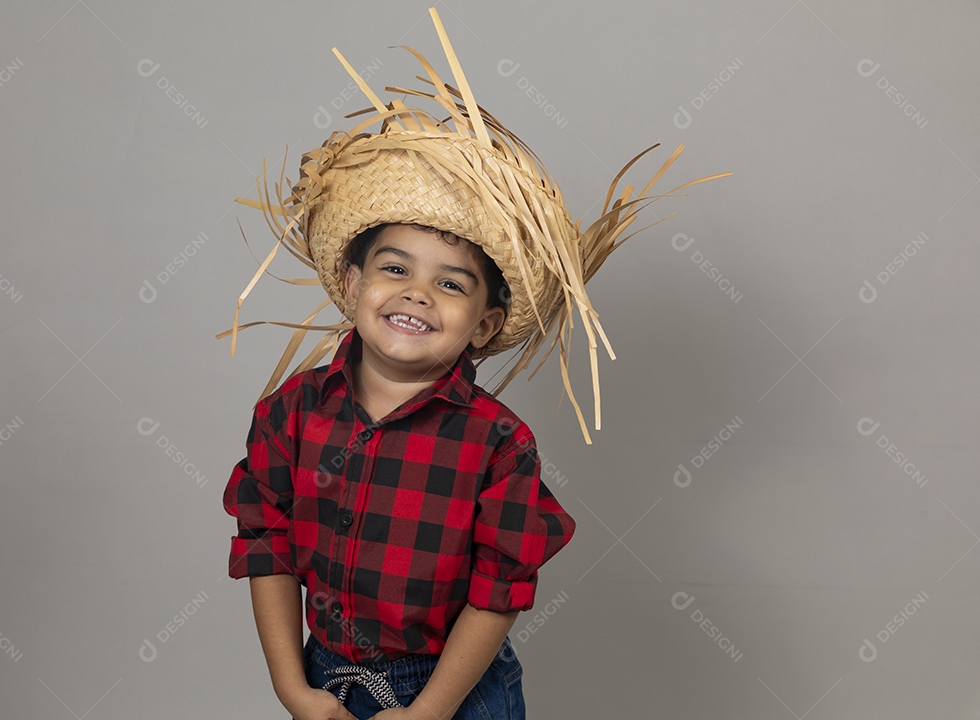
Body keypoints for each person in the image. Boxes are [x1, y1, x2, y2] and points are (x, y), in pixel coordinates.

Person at [220, 8, 727, 719]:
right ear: (353, 284)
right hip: (325, 681)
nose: (417, 293)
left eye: (451, 283)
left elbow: (499, 588)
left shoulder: (496, 444)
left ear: (484, 323)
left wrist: (429, 712)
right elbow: (265, 545)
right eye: (394, 268)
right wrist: (291, 687)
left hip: (454, 692)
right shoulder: (290, 414)